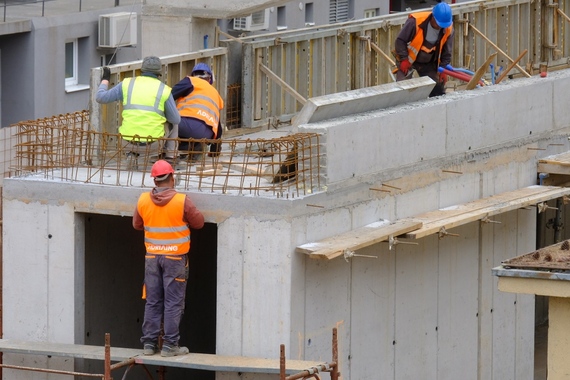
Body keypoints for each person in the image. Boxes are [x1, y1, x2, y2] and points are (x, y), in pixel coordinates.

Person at [132, 160, 205, 357]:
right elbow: (199, 223)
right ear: (172, 177)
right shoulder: (182, 200)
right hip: (174, 259)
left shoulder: (143, 200)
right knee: (173, 303)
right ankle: (170, 345)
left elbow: (137, 224)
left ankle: (149, 344)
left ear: (155, 180)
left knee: (153, 301)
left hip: (152, 258)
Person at [96, 56, 181, 161]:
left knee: (130, 118)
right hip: (153, 145)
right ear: (159, 74)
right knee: (174, 122)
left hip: (127, 143)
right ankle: (170, 157)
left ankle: (130, 154)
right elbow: (176, 119)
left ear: (141, 70)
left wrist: (105, 80)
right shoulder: (164, 90)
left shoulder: (127, 84)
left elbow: (100, 97)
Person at [394, 2, 454, 97]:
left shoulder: (448, 29)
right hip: (408, 60)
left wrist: (443, 69)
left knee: (437, 91)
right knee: (402, 88)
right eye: (439, 24)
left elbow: (447, 52)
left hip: (428, 63)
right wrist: (404, 59)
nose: (441, 27)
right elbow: (400, 41)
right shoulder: (415, 22)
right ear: (433, 17)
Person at [171, 63, 224, 157]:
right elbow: (218, 126)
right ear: (209, 79)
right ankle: (193, 148)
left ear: (193, 75)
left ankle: (168, 153)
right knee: (191, 131)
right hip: (207, 134)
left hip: (185, 126)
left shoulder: (191, 81)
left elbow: (169, 97)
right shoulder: (215, 93)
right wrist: (214, 151)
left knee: (168, 121)